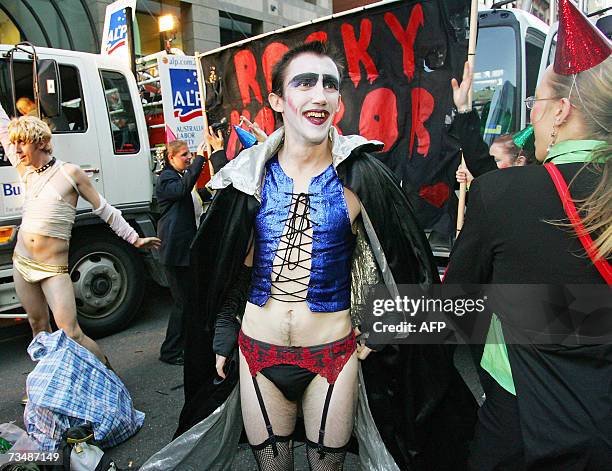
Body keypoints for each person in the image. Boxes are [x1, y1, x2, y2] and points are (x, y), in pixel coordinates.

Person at [141, 41, 476, 471]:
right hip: (257, 353)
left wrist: (379, 329)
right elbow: (230, 271)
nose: (320, 94)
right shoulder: (247, 180)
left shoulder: (362, 176)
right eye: (304, 82)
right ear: (278, 101)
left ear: (338, 101)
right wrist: (224, 333)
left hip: (332, 358)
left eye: (330, 85)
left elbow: (402, 260)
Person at [444, 1, 611, 468]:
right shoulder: (510, 193)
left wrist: (379, 325)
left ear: (561, 110)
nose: (531, 113)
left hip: (522, 416)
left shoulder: (505, 197)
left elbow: (457, 303)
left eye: (535, 102)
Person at [0, 102, 160, 367]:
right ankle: (48, 390)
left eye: (22, 144)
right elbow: (3, 130)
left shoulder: (69, 173)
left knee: (71, 333)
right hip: (22, 263)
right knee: (38, 328)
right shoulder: (26, 171)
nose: (16, 151)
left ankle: (109, 379)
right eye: (15, 144)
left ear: (40, 142)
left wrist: (135, 238)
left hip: (53, 268)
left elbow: (105, 210)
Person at [156, 129, 227, 365]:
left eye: (189, 154)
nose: (187, 158)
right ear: (171, 158)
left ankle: (186, 345)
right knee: (182, 304)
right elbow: (182, 190)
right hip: (174, 253)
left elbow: (195, 195)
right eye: (184, 155)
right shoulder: (168, 178)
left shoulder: (180, 178)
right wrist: (200, 158)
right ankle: (170, 350)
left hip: (184, 251)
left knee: (188, 301)